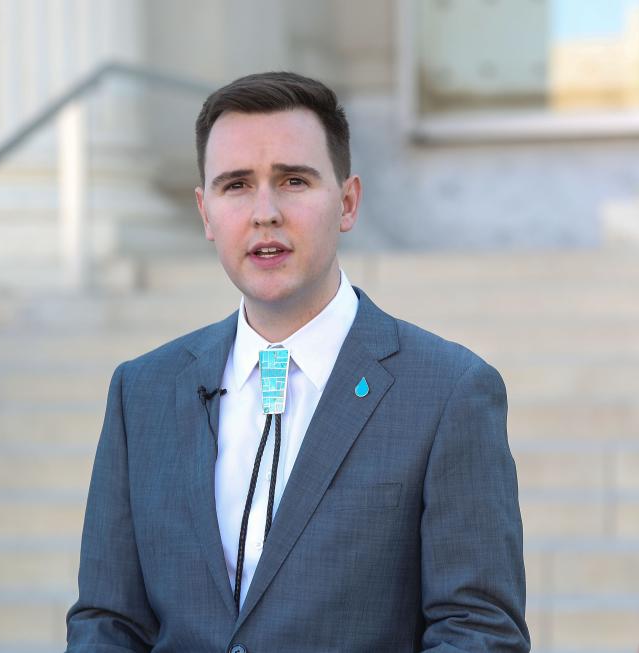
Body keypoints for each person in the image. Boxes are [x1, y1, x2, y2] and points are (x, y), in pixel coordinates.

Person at [65, 71, 530, 652]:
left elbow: (477, 632)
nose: (265, 212)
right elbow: (108, 622)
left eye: (293, 180)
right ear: (205, 213)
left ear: (348, 202)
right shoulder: (143, 392)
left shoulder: (449, 391)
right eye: (236, 185)